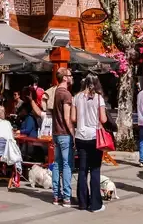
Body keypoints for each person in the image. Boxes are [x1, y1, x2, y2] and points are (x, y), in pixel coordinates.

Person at [71, 74, 107, 212]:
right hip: (94, 136)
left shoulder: (77, 97)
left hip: (80, 136)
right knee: (95, 170)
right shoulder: (99, 98)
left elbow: (73, 118)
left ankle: (82, 202)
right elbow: (103, 119)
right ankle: (95, 204)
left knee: (82, 170)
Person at [50, 68, 75, 207]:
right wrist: (73, 132)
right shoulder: (66, 94)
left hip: (55, 132)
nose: (72, 77)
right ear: (65, 78)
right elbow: (67, 117)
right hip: (64, 133)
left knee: (57, 164)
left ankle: (55, 195)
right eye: (70, 75)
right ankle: (66, 197)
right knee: (66, 164)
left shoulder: (56, 92)